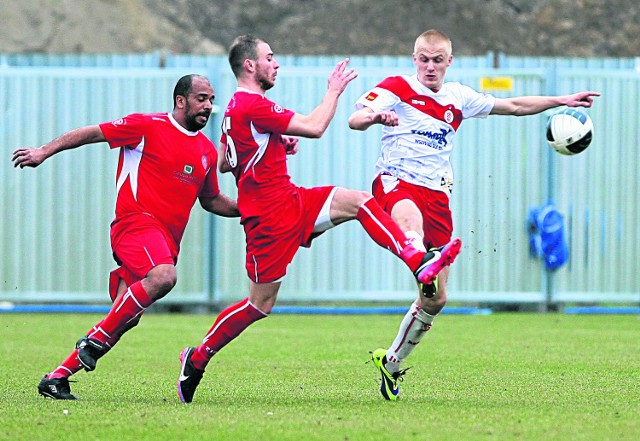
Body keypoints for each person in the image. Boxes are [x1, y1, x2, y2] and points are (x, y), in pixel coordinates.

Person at [176, 34, 462, 404]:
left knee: (360, 201)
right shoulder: (249, 104)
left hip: (291, 200)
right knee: (258, 306)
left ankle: (417, 259)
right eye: (270, 57)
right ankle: (196, 358)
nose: (275, 63)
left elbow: (229, 160)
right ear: (250, 65)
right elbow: (315, 126)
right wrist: (334, 90)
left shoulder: (236, 109)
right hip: (267, 221)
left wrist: (279, 142)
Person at [348, 29, 600, 400]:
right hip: (396, 181)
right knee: (408, 221)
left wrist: (561, 100)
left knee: (436, 300)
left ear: (449, 61)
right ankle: (421, 256)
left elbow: (513, 106)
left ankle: (393, 361)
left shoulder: (459, 97)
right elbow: (355, 118)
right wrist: (373, 117)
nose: (429, 66)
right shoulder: (396, 87)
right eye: (423, 58)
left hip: (437, 197)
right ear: (413, 58)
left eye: (437, 60)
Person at [12, 74, 240, 400]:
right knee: (164, 276)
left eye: (210, 99)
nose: (208, 106)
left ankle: (57, 378)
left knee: (124, 318)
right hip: (135, 226)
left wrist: (253, 211)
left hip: (164, 243)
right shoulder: (146, 126)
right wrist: (43, 152)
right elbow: (91, 133)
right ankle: (93, 340)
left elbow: (212, 200)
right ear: (180, 100)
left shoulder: (205, 150)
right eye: (201, 98)